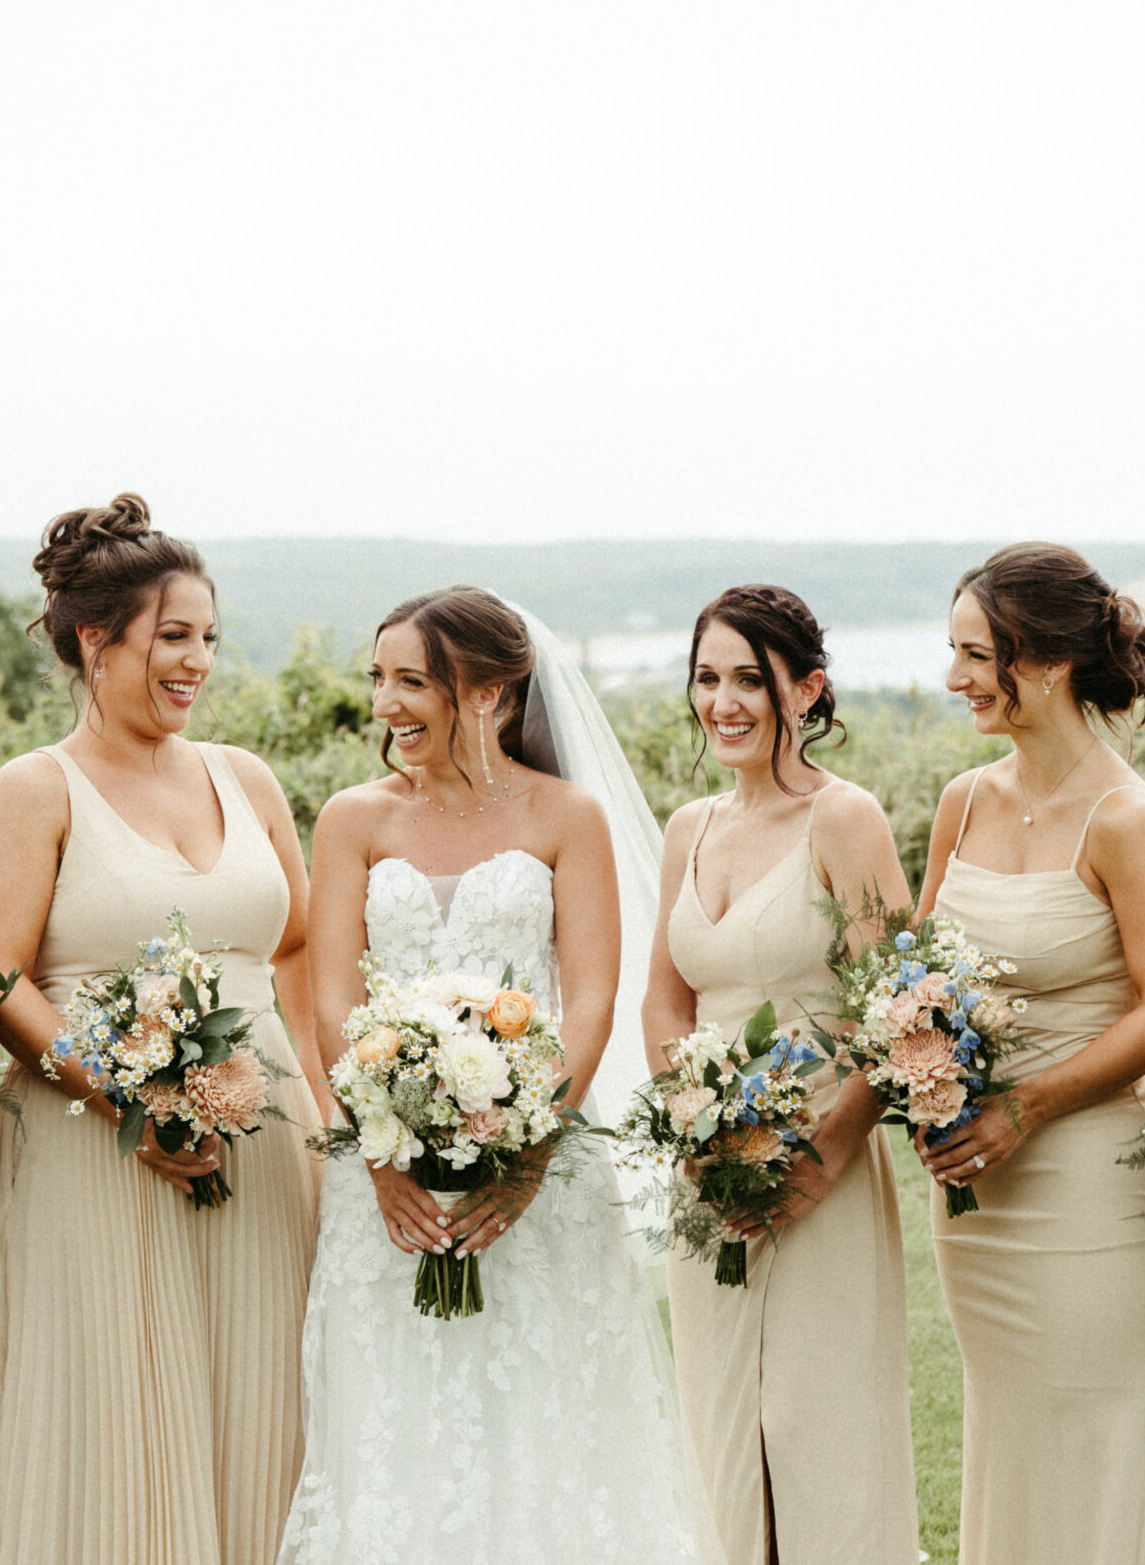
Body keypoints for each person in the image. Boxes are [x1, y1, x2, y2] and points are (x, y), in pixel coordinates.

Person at [276, 585, 723, 1565]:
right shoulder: (352, 820)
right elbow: (329, 1006)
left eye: (411, 681)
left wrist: (525, 1152)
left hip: (541, 1177)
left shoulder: (566, 816)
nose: (386, 703)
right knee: (396, 1413)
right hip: (381, 1183)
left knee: (543, 1415)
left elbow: (592, 1002)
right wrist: (383, 1155)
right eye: (379, 679)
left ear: (485, 694)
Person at [0, 495, 321, 1565]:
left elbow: (294, 950)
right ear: (94, 640)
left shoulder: (245, 777)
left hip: (265, 1155)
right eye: (173, 637)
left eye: (207, 638)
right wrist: (125, 1099)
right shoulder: (37, 790)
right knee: (112, 1428)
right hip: (94, 1155)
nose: (197, 661)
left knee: (267, 1415)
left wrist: (325, 1117)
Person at [916, 542, 1145, 1565]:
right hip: (978, 1190)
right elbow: (919, 982)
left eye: (970, 655)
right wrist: (921, 1069)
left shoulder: (1122, 817)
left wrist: (1025, 1108)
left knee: (1092, 1433)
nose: (953, 680)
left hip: (1093, 1183)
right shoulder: (964, 801)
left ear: (1039, 661)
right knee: (1008, 1429)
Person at [641, 584, 917, 1565]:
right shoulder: (690, 830)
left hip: (820, 1171)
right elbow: (666, 1005)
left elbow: (900, 1014)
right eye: (706, 678)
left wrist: (824, 1152)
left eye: (748, 680)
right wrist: (697, 1136)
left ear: (806, 692)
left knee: (821, 1435)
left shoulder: (843, 822)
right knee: (721, 1435)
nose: (723, 701)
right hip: (709, 1178)